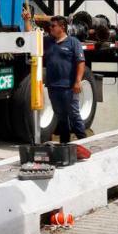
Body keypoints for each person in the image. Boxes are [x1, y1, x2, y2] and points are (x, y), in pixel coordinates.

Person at [44, 15, 87, 145]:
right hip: (53, 87)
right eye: (50, 26)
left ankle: (85, 142)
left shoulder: (73, 42)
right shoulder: (48, 41)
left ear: (62, 27)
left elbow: (81, 62)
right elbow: (31, 37)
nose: (50, 28)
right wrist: (27, 21)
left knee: (74, 115)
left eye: (53, 26)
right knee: (61, 117)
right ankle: (64, 144)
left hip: (69, 88)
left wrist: (78, 81)